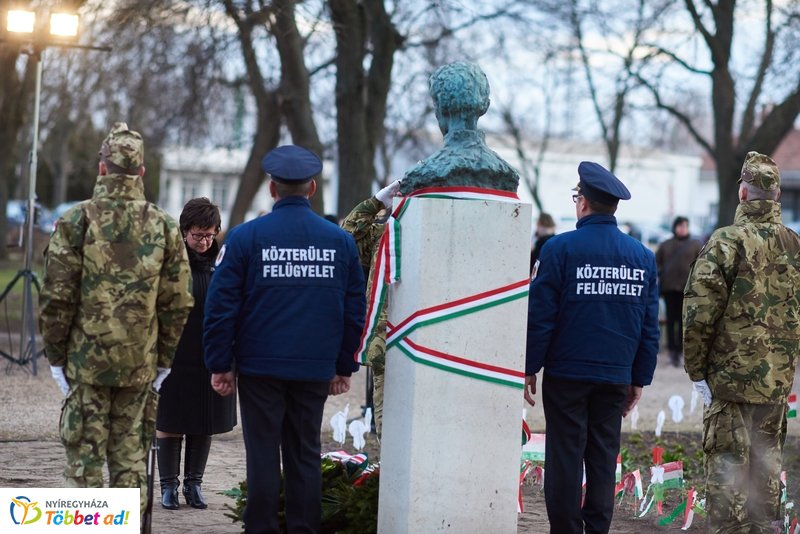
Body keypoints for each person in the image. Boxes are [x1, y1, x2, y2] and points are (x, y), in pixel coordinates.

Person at [203, 144, 366, 533]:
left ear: (272, 189)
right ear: (311, 189)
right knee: (305, 454)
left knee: (262, 454)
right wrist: (344, 366)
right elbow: (354, 309)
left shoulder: (245, 238)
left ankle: (260, 528)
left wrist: (219, 364)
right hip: (314, 368)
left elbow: (220, 306)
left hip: (260, 367)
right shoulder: (339, 241)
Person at [39, 122, 194, 516]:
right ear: (141, 172)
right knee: (129, 465)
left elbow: (57, 296)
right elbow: (177, 302)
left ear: (102, 168)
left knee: (85, 465)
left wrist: (57, 356)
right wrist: (163, 359)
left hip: (86, 364)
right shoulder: (163, 225)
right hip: (139, 367)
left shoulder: (77, 220)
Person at [524, 161, 659, 534]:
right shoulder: (642, 257)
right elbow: (648, 327)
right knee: (602, 457)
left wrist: (528, 366)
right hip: (615, 374)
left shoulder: (559, 249)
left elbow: (541, 317)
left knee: (566, 456)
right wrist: (639, 379)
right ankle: (596, 529)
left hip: (567, 374)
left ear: (582, 203)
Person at [683, 152, 800, 533]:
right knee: (766, 470)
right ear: (778, 196)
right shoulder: (794, 245)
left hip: (729, 383)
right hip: (775, 383)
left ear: (743, 194)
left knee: (728, 472)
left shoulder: (726, 242)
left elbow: (699, 312)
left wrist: (697, 370)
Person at [155, 197, 237, 510]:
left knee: (205, 418)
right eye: (197, 235)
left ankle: (194, 484)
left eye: (209, 235)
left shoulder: (225, 262)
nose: (203, 242)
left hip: (213, 352)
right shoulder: (170, 260)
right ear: (184, 231)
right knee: (171, 417)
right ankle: (168, 486)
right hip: (175, 353)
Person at [341, 179, 402, 437]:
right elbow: (348, 236)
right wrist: (376, 202)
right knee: (387, 424)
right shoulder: (382, 235)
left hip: (429, 343)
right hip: (387, 341)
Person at [655, 216, 702, 367]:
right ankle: (671, 351)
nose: (682, 229)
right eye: (680, 226)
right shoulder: (666, 245)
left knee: (684, 321)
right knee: (670, 319)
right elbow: (656, 263)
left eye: (685, 226)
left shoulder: (695, 244)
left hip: (687, 289)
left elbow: (701, 265)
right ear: (675, 227)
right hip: (669, 288)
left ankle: (681, 351)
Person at [530, 212, 557, 276]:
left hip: (541, 276)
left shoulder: (541, 241)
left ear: (540, 224)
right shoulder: (555, 239)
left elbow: (533, 262)